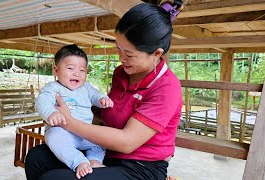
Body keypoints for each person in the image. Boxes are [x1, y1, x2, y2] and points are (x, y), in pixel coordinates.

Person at [25, 1, 184, 179]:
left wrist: (68, 121)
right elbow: (109, 112)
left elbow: (127, 142)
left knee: (53, 178)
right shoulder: (121, 73)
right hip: (109, 151)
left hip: (140, 165)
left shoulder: (167, 87)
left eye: (129, 54)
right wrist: (76, 103)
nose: (121, 58)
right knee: (36, 158)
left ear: (156, 53)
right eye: (119, 49)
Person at [35, 44, 114, 179]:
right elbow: (42, 101)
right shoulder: (53, 88)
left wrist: (102, 99)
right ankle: (78, 162)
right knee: (53, 137)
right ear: (56, 70)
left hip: (85, 132)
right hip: (64, 133)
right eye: (70, 68)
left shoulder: (86, 87)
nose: (77, 73)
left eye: (82, 70)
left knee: (101, 141)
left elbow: (95, 95)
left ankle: (94, 160)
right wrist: (51, 113)